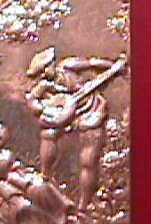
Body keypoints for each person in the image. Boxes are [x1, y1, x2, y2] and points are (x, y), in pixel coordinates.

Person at [27, 47, 115, 210]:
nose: (44, 74)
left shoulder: (68, 66)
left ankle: (84, 204)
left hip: (89, 110)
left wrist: (113, 66)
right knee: (48, 134)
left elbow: (92, 63)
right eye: (40, 72)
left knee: (88, 158)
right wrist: (45, 109)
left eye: (46, 68)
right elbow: (32, 100)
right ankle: (45, 175)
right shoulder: (44, 85)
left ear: (52, 64)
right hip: (62, 115)